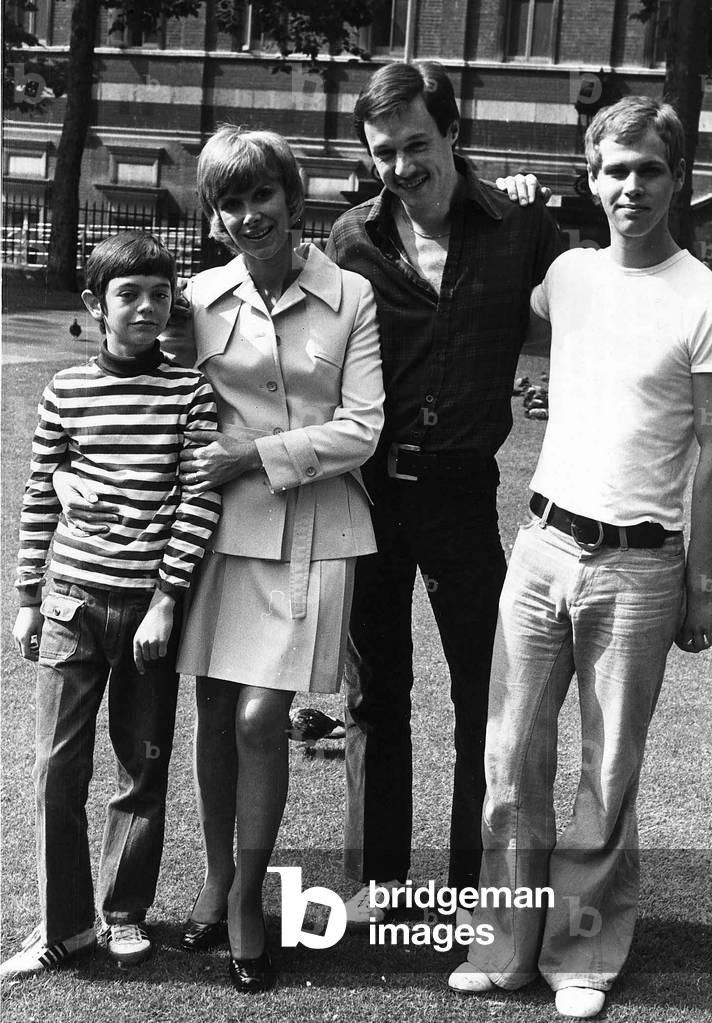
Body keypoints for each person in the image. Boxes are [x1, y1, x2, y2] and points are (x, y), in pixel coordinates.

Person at [448, 97, 712, 1019]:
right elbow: (516, 294)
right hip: (539, 548)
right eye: (614, 169)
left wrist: (699, 581)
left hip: (641, 566)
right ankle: (504, 942)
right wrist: (493, 192)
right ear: (591, 176)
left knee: (607, 767)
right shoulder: (567, 275)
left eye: (648, 170)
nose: (630, 187)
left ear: (677, 181)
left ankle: (579, 953)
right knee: (509, 755)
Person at [134, 127, 380, 992]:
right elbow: (159, 397)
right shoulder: (196, 295)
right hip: (214, 535)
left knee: (256, 720)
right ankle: (214, 877)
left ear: (292, 196)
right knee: (210, 715)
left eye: (260, 197)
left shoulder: (349, 295)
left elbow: (362, 428)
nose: (248, 216)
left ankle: (246, 900)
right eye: (229, 202)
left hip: (312, 531)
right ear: (213, 212)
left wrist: (255, 455)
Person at [324, 60, 562, 924]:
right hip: (370, 494)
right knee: (373, 691)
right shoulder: (349, 239)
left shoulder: (520, 229)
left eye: (415, 144)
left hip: (463, 494)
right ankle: (380, 877)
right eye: (382, 151)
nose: (399, 166)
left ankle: (471, 885)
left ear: (452, 135)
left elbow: (580, 310)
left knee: (483, 692)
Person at [1, 232, 221, 978]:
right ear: (96, 305)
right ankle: (63, 924)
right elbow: (39, 492)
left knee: (140, 767)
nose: (146, 307)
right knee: (57, 769)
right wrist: (28, 595)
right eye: (129, 294)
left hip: (146, 615)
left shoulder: (188, 391)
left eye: (160, 294)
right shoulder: (66, 389)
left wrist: (166, 600)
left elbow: (198, 500)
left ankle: (122, 911)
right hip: (70, 603)